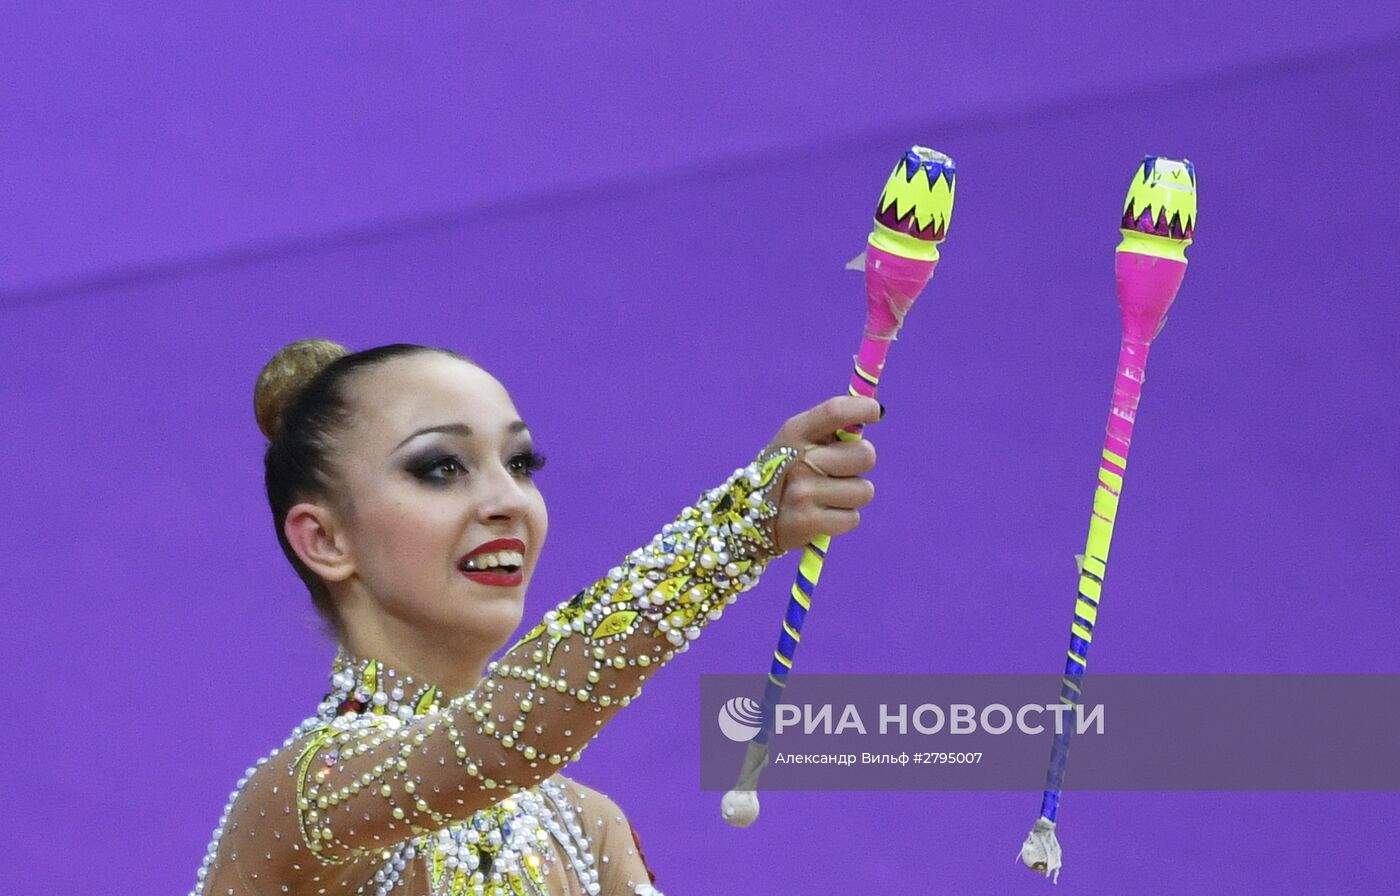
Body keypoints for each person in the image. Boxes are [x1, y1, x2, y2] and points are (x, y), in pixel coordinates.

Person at [191, 339, 880, 896]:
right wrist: (737, 528)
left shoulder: (583, 825)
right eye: (439, 468)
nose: (508, 501)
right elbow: (488, 745)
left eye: (521, 463)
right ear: (325, 540)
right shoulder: (306, 798)